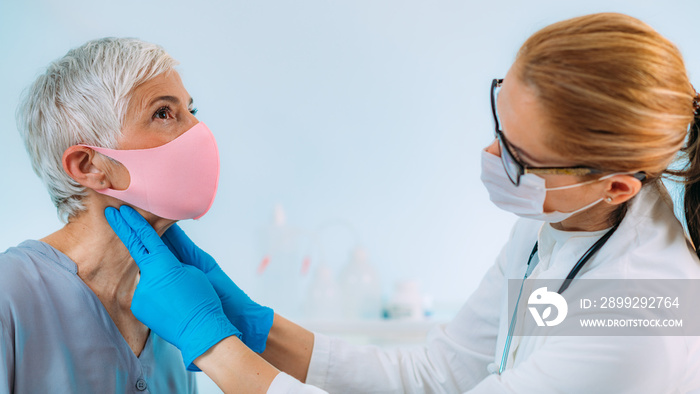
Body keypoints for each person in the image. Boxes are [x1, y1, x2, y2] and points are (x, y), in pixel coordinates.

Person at [108, 12, 700, 393]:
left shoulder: (638, 324)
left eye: (519, 156)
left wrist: (215, 348)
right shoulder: (565, 219)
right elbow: (435, 375)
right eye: (498, 120)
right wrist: (259, 327)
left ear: (617, 184)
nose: (491, 154)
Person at [0, 37, 228, 393]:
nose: (199, 132)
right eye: (164, 113)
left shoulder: (174, 312)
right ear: (89, 165)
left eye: (191, 111)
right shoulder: (9, 294)